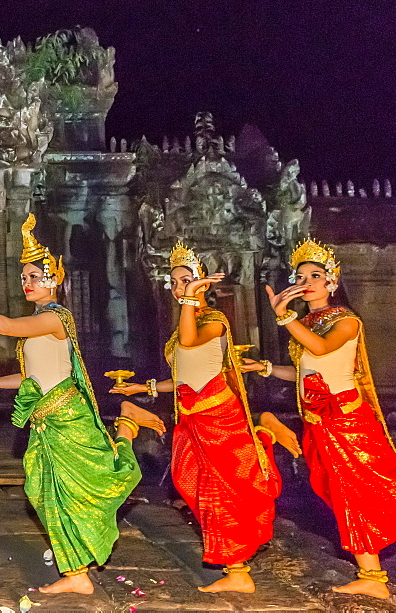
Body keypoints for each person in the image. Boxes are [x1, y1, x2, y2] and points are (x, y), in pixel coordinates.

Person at [242, 237, 396, 599]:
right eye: (301, 275)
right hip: (319, 421)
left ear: (332, 280)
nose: (307, 283)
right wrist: (268, 367)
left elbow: (321, 348)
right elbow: (308, 368)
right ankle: (372, 574)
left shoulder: (347, 321)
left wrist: (284, 316)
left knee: (368, 491)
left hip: (347, 420)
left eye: (315, 275)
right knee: (339, 494)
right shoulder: (309, 321)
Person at [0, 214, 163, 595]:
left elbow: (8, 328)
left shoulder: (55, 317)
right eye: (25, 277)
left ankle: (127, 426)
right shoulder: (38, 322)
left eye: (35, 276)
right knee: (42, 490)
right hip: (45, 421)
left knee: (96, 484)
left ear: (55, 279)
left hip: (67, 416)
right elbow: (30, 378)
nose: (27, 282)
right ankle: (76, 572)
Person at [113, 241, 291, 593]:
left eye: (187, 281)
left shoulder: (215, 321)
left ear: (203, 284)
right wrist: (144, 389)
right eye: (175, 282)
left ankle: (237, 569)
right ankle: (234, 564)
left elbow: (192, 344)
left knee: (226, 491)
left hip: (218, 414)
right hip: (191, 418)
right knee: (186, 479)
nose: (179, 289)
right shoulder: (186, 323)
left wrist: (193, 299)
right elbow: (182, 374)